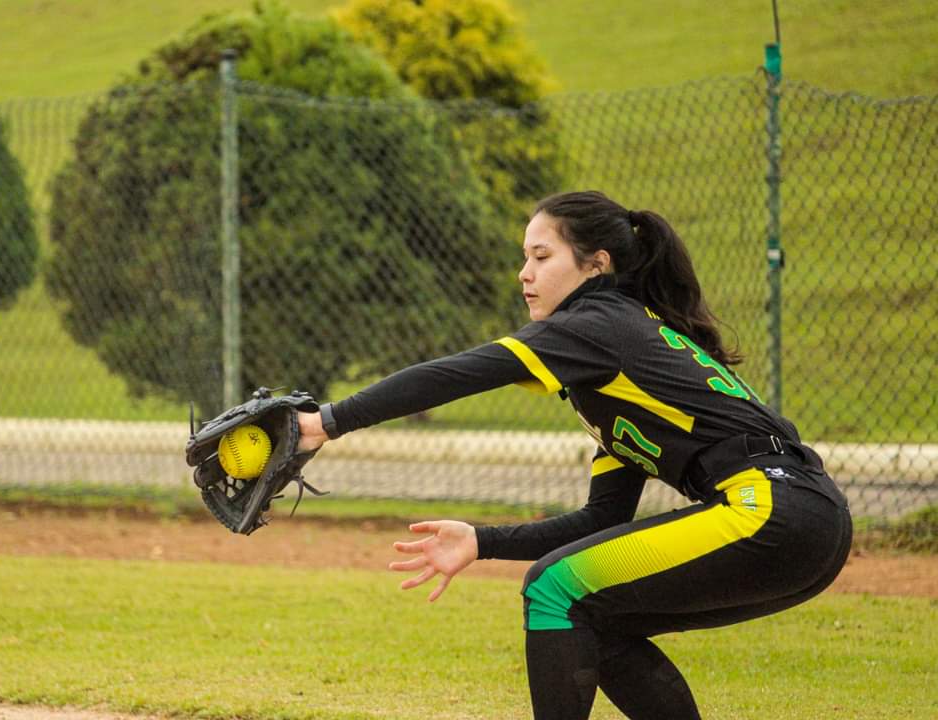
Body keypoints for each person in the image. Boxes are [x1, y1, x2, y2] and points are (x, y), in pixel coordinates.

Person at [296, 190, 852, 720]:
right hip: (807, 519)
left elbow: (461, 373)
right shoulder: (615, 365)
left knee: (553, 588)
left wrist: (328, 421)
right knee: (599, 618)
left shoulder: (597, 324)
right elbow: (603, 519)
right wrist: (481, 541)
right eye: (524, 258)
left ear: (596, 266)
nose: (525, 273)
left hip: (770, 510)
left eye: (542, 255)